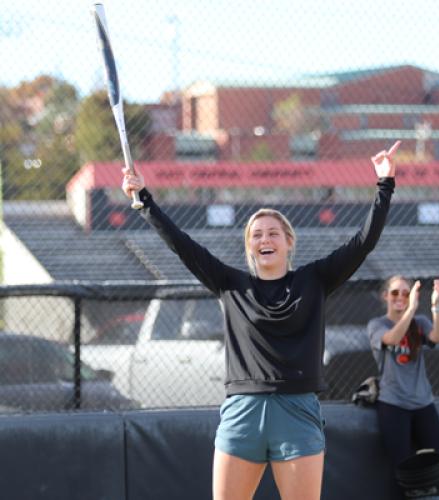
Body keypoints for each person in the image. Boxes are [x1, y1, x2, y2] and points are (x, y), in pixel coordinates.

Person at [121, 140, 401, 500]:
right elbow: (181, 244)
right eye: (256, 234)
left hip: (298, 411)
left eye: (272, 233)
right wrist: (143, 199)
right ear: (249, 247)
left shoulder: (315, 279)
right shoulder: (229, 283)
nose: (264, 238)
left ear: (288, 242)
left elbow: (364, 241)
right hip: (242, 412)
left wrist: (385, 184)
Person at [367, 275, 439, 498]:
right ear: (385, 296)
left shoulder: (420, 322)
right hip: (393, 404)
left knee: (437, 461)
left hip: (423, 402)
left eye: (405, 293)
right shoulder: (377, 324)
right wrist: (411, 308)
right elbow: (392, 338)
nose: (400, 297)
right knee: (402, 468)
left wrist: (435, 305)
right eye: (395, 292)